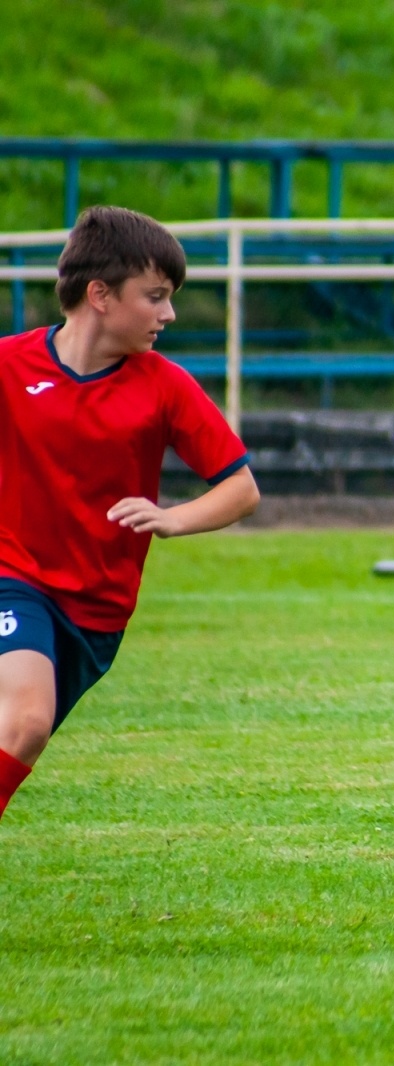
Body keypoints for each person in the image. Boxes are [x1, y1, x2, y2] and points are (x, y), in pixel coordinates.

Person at [0, 206, 260, 822]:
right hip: (15, 578)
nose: (168, 314)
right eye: (156, 297)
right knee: (27, 720)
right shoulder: (9, 367)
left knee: (16, 732)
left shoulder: (164, 386)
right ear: (100, 295)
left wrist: (174, 517)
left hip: (98, 610)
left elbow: (240, 488)